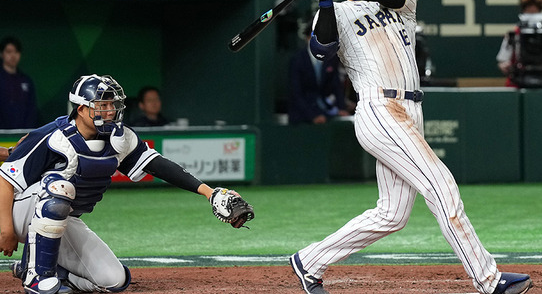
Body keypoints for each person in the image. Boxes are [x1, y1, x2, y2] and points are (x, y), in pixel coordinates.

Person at [290, 0, 533, 294]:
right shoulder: (337, 13)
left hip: (410, 110)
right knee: (442, 187)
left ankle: (309, 262)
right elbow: (321, 50)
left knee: (392, 214)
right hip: (379, 109)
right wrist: (325, 0)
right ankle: (489, 280)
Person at [0, 74, 252, 294]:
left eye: (112, 103)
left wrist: (209, 193)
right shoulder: (53, 136)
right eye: (102, 104)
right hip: (19, 212)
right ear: (81, 109)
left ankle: (43, 267)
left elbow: (159, 165)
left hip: (62, 220)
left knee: (114, 280)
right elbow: (6, 178)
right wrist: (6, 229)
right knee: (59, 187)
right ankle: (37, 278)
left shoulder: (119, 138)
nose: (110, 110)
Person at [288, 28, 350, 125]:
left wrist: (341, 108)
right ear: (308, 38)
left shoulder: (331, 58)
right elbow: (296, 92)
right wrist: (312, 116)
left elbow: (336, 85)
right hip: (302, 118)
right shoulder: (297, 60)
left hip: (326, 112)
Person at [0, 36, 38, 129]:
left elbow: (31, 110)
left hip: (22, 135)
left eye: (16, 52)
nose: (13, 56)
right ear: (1, 54)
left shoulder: (26, 80)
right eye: (9, 52)